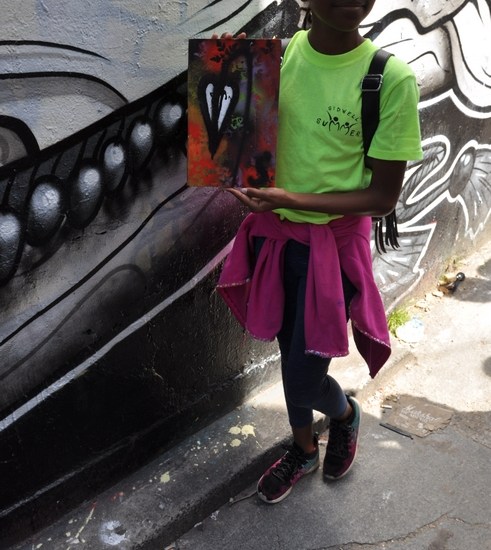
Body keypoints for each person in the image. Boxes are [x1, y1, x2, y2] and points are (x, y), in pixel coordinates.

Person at [213, 0, 423, 504]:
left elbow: (382, 198)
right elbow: (236, 145)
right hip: (275, 239)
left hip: (332, 251)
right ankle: (304, 449)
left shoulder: (388, 79)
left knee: (305, 377)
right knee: (290, 355)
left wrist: (291, 199)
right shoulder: (271, 62)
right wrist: (231, 169)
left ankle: (345, 415)